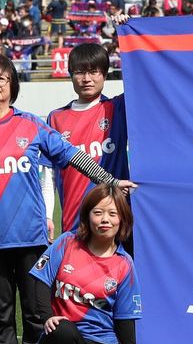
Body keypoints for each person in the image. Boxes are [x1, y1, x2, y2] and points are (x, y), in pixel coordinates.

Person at [0, 54, 135, 344]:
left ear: (12, 86)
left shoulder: (32, 125)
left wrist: (109, 181)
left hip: (32, 237)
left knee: (36, 311)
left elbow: (72, 155)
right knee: (0, 313)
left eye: (2, 78)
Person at [31, 185, 141, 344]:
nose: (105, 220)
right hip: (63, 335)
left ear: (122, 219)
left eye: (113, 214)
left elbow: (124, 319)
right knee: (60, 329)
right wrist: (47, 316)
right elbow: (40, 281)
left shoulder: (124, 264)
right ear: (87, 216)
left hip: (101, 339)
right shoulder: (66, 242)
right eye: (98, 212)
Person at [44, 43, 129, 236]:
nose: (86, 79)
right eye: (80, 72)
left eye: (94, 72)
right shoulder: (56, 118)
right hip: (75, 221)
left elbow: (144, 80)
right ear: (70, 75)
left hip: (116, 219)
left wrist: (130, 34)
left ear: (105, 74)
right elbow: (50, 174)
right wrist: (47, 215)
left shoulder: (118, 107)